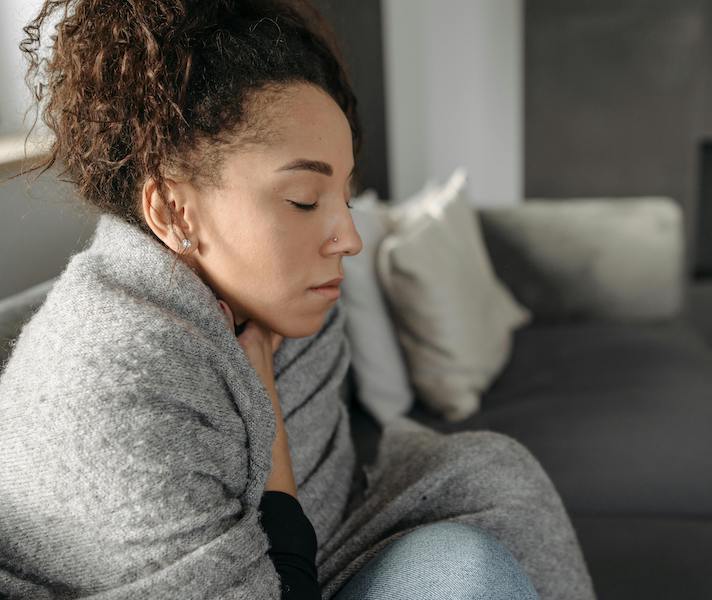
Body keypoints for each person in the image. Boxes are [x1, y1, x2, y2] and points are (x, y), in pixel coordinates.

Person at [0, 1, 595, 599]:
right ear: (171, 209)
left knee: (490, 475)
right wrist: (269, 426)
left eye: (345, 195)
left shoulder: (276, 301)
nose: (350, 238)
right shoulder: (114, 391)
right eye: (305, 200)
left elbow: (325, 491)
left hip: (315, 551)